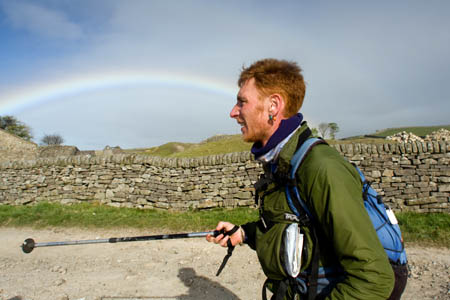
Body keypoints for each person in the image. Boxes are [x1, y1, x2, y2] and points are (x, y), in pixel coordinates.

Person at [206, 58, 404, 299]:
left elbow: (374, 279)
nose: (233, 112)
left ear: (273, 106)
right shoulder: (283, 162)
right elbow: (295, 228)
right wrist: (244, 233)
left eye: (242, 102)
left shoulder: (321, 168)